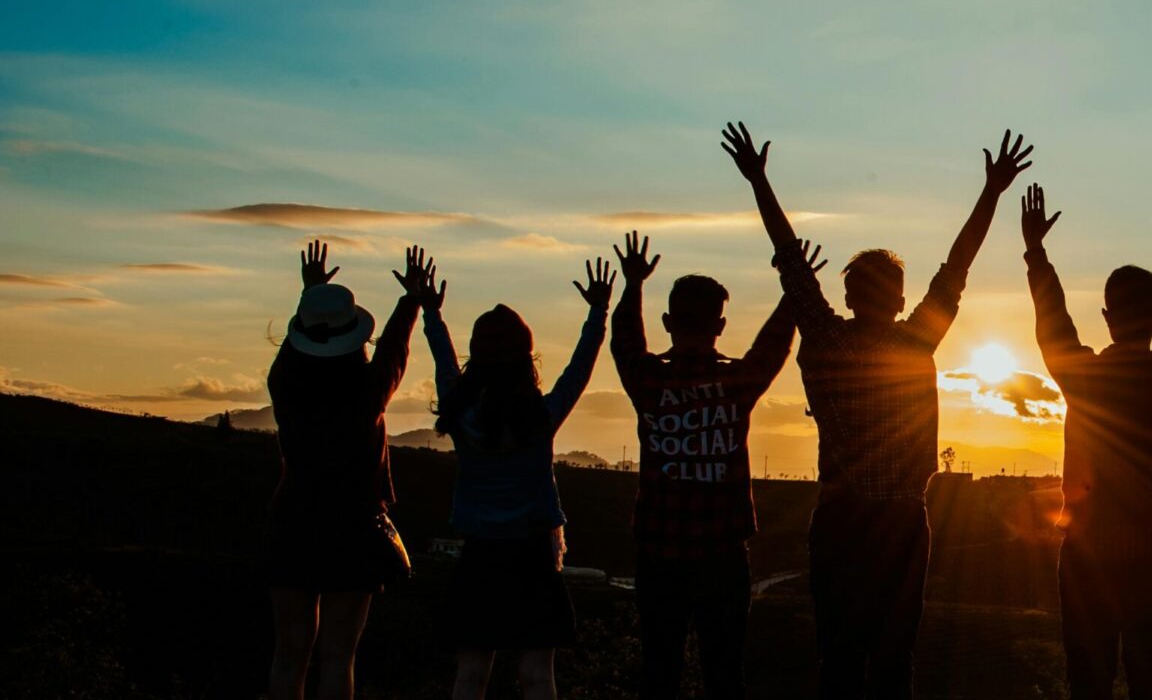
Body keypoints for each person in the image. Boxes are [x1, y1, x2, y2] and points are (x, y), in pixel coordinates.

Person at [726, 121, 1032, 698]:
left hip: (841, 520)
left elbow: (790, 260)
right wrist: (992, 191)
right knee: (893, 662)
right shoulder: (914, 341)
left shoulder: (824, 339)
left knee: (837, 659)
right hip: (898, 522)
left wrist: (759, 183)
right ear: (896, 298)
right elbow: (956, 267)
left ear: (847, 296)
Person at [1019, 182, 1152, 700]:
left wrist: (1037, 254)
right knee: (1151, 678)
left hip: (1086, 554)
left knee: (1089, 680)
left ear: (1106, 317)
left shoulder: (1082, 377)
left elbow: (1053, 323)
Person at [608, 231, 798, 699]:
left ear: (669, 322)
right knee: (724, 673)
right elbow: (773, 346)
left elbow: (625, 340)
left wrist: (633, 284)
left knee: (659, 672)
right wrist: (793, 289)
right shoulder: (736, 381)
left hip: (658, 553)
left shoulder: (648, 378)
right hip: (722, 555)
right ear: (720, 326)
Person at [422, 257, 615, 700]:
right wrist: (597, 312)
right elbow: (578, 371)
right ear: (525, 356)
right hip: (533, 554)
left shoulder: (460, 412)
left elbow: (444, 362)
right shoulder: (540, 417)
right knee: (536, 673)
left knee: (470, 673)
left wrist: (431, 312)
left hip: (479, 553)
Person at [264, 241, 427, 700]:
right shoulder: (367, 391)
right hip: (353, 527)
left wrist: (311, 294)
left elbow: (294, 355)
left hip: (292, 519)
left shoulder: (285, 383)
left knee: (287, 654)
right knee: (338, 656)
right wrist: (412, 299)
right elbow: (394, 350)